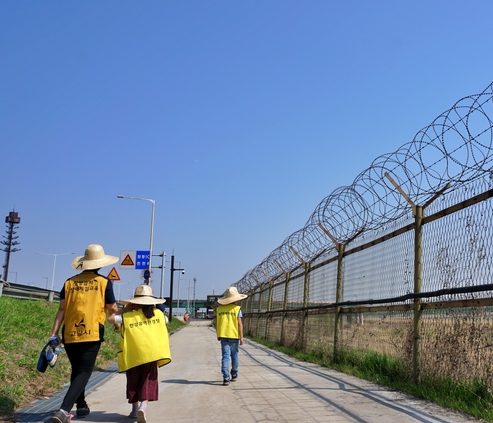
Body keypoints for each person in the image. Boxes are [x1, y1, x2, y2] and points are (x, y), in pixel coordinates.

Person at [48, 244, 120, 423]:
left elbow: (61, 310)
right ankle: (63, 410)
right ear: (100, 263)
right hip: (92, 333)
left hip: (70, 333)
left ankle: (81, 406)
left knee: (77, 370)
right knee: (85, 371)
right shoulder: (104, 282)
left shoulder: (69, 282)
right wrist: (117, 324)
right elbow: (112, 308)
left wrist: (54, 333)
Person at [107, 284, 171, 423]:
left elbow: (111, 319)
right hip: (152, 353)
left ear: (135, 302)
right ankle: (144, 406)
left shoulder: (128, 316)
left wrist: (125, 309)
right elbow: (166, 321)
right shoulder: (159, 314)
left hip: (133, 354)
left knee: (133, 380)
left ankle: (135, 410)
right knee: (148, 380)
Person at [214, 286, 247, 386]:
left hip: (223, 336)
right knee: (234, 356)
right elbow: (239, 324)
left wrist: (218, 334)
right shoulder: (237, 309)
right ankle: (234, 373)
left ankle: (226, 377)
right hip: (234, 336)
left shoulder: (219, 309)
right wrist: (241, 337)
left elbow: (217, 323)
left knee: (225, 357)